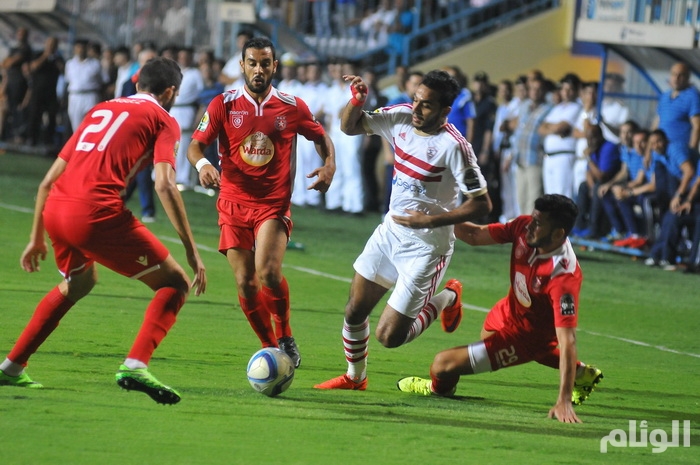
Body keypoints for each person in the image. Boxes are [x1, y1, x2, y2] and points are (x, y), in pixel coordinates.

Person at [0, 57, 207, 405]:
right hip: (95, 214)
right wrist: (191, 249)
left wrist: (36, 236)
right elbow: (165, 185)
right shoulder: (163, 118)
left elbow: (48, 181)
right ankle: (135, 365)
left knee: (79, 283)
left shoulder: (100, 109)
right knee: (175, 283)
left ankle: (10, 367)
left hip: (56, 209)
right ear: (170, 91)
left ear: (137, 80)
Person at [314, 70, 491, 391]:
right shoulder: (399, 118)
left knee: (389, 337)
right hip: (390, 233)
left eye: (426, 106)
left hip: (427, 248)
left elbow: (482, 205)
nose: (416, 110)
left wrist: (431, 220)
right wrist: (356, 100)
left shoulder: (455, 147)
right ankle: (356, 378)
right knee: (354, 310)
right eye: (416, 100)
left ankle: (448, 295)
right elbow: (348, 126)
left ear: (444, 111)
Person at [187, 37, 336, 368]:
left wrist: (329, 165)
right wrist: (203, 165)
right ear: (242, 66)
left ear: (274, 67)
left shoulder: (291, 106)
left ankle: (284, 335)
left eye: (264, 63)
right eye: (252, 63)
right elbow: (195, 146)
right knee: (245, 281)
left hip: (273, 204)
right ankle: (270, 349)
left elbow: (321, 136)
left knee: (267, 272)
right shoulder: (222, 105)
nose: (258, 69)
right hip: (233, 203)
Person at [397, 194, 603, 424]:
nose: (530, 226)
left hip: (526, 336)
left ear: (558, 234)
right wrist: (431, 219)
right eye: (533, 219)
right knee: (487, 334)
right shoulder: (524, 227)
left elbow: (568, 341)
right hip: (510, 309)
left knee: (441, 365)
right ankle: (582, 374)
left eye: (538, 223)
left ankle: (438, 389)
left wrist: (563, 400)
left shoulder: (563, 278)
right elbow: (475, 235)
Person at [539, 73, 582, 199]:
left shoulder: (576, 107)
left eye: (570, 89)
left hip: (564, 155)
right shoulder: (557, 108)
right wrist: (554, 128)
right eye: (564, 89)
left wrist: (552, 127)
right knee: (550, 196)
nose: (566, 93)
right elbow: (541, 128)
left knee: (562, 195)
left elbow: (561, 127)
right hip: (549, 157)